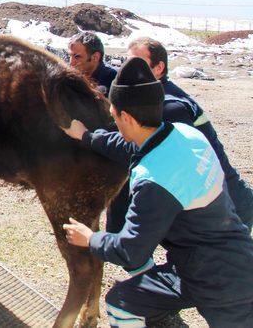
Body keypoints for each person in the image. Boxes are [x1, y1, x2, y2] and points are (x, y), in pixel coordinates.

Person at [62, 57, 253, 328]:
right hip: (223, 257)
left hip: (217, 281)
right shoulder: (185, 134)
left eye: (114, 116)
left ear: (125, 117)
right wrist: (87, 136)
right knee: (122, 300)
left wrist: (90, 238)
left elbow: (131, 250)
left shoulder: (152, 180)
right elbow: (134, 146)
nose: (114, 122)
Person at [80, 37, 253, 232]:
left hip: (226, 210)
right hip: (211, 204)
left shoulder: (169, 106)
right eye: (127, 64)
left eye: (139, 64)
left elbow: (135, 148)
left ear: (159, 68)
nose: (128, 71)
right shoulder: (160, 97)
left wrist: (88, 137)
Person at [68, 31, 117, 97]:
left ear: (95, 57)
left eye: (77, 57)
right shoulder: (71, 79)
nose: (71, 62)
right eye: (70, 56)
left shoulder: (112, 81)